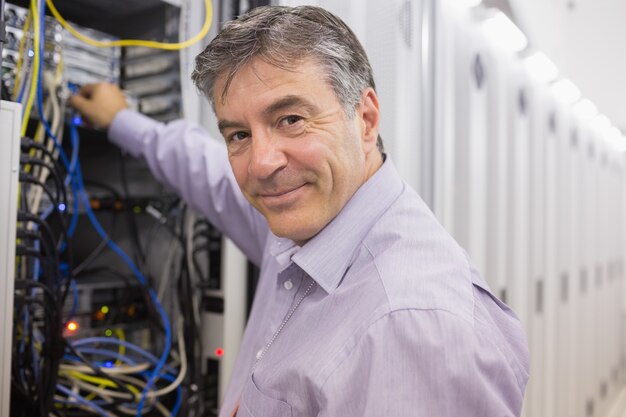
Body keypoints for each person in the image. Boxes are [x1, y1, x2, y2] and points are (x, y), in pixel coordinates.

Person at [70, 5, 529, 417]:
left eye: (291, 119)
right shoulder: (304, 221)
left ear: (365, 120)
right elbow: (204, 170)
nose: (262, 163)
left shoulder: (412, 328)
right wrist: (121, 120)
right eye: (238, 135)